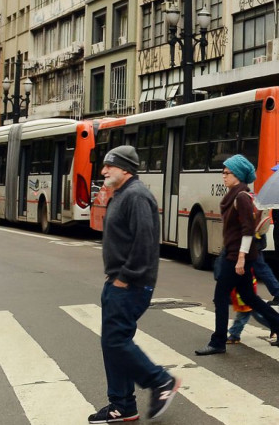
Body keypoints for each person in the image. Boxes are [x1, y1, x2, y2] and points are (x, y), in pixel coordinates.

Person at [89, 145, 180, 423]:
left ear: (126, 168)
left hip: (131, 284)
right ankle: (122, 404)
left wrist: (124, 278)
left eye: (109, 166)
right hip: (118, 282)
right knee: (113, 343)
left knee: (116, 341)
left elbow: (145, 243)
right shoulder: (122, 195)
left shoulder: (137, 196)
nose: (103, 171)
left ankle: (161, 381)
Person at [195, 155, 279, 356]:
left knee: (220, 297)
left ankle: (218, 341)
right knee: (248, 296)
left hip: (237, 257)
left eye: (227, 172)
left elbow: (247, 230)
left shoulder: (241, 198)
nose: (223, 176)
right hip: (237, 254)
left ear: (237, 175)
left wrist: (240, 258)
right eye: (224, 172)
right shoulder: (235, 196)